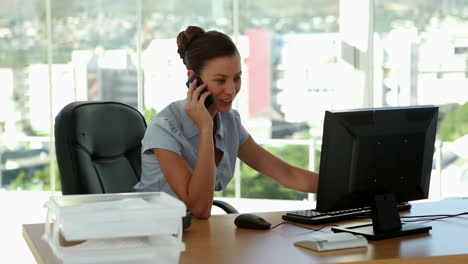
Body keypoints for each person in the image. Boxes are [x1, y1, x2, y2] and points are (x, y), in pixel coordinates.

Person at [134, 25, 319, 219]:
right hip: (153, 235)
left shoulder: (229, 121)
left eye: (237, 78)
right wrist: (206, 129)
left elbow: (286, 174)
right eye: (220, 80)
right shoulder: (165, 127)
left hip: (196, 233)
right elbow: (199, 207)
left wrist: (347, 189)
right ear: (193, 79)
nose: (231, 90)